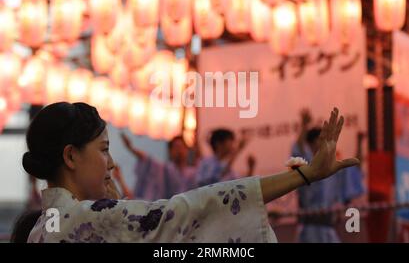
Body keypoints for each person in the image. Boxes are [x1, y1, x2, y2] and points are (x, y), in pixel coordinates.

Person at [20, 102, 358, 243]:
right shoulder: (83, 217)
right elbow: (189, 209)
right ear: (71, 156)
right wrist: (305, 175)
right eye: (104, 150)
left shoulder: (41, 228)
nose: (111, 163)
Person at [291, 109, 365, 243]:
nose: (324, 143)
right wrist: (304, 126)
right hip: (309, 231)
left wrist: (359, 142)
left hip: (328, 230)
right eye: (320, 140)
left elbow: (354, 170)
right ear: (311, 143)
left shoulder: (333, 168)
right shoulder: (307, 164)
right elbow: (298, 150)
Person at [121, 134, 197, 200]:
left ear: (187, 150)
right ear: (170, 151)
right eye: (176, 147)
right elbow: (147, 160)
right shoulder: (166, 170)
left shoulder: (193, 173)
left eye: (182, 147)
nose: (179, 151)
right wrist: (131, 148)